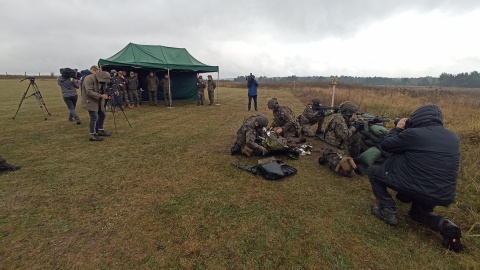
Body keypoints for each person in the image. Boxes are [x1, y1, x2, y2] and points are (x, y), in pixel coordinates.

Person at [367, 104, 463, 252]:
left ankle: (388, 210)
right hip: (442, 194)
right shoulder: (454, 138)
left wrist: (398, 128)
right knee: (417, 215)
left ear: (418, 117)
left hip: (414, 186)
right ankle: (444, 224)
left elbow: (387, 145)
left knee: (373, 172)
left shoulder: (414, 135)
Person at [319, 101, 362, 177]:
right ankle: (327, 158)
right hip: (332, 148)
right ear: (348, 113)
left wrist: (355, 125)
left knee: (357, 135)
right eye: (354, 113)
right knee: (350, 172)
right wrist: (354, 127)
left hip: (338, 144)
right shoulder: (339, 120)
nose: (355, 115)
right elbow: (344, 136)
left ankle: (355, 158)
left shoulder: (340, 116)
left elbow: (346, 126)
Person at [81, 70, 112, 142]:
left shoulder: (103, 81)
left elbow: (104, 90)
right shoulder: (89, 78)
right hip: (90, 100)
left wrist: (108, 95)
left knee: (102, 114)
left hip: (99, 100)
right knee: (94, 116)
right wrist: (101, 96)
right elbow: (88, 91)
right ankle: (92, 134)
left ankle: (100, 130)